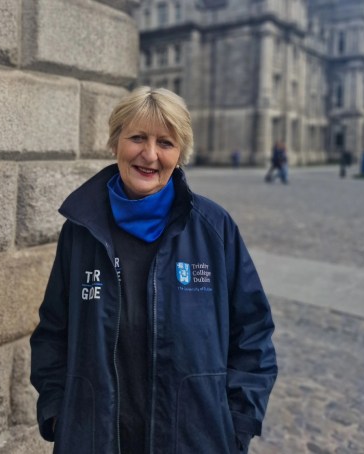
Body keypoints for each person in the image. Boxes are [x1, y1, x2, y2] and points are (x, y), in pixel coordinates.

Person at [30, 87, 278, 454]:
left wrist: (236, 426)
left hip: (194, 441)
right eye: (137, 138)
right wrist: (58, 413)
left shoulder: (213, 228)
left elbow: (253, 334)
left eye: (165, 142)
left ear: (180, 154)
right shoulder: (81, 229)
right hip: (95, 439)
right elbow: (53, 331)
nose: (150, 155)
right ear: (116, 142)